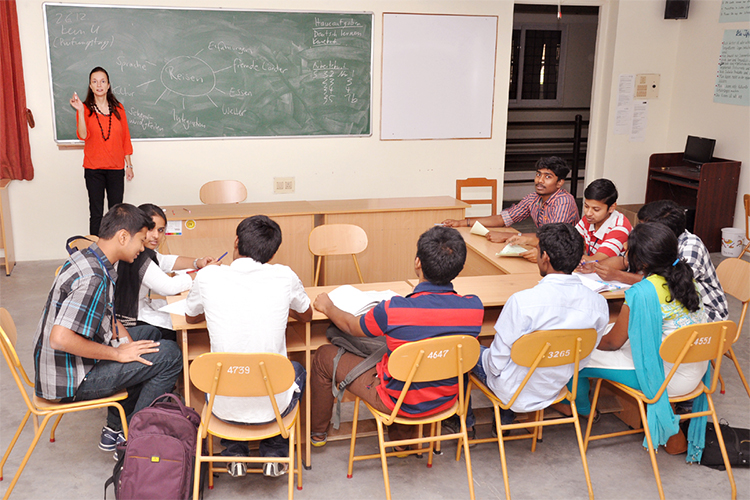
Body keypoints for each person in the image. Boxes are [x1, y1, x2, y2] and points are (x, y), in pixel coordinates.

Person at [309, 226, 484, 448]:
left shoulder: (394, 310)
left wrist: (328, 306)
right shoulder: (474, 307)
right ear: (460, 267)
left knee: (324, 355)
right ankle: (401, 443)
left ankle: (317, 433)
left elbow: (351, 326)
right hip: (445, 401)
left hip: (398, 402)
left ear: (417, 262)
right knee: (402, 356)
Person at [33, 204, 182, 456]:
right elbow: (60, 338)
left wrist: (127, 344)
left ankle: (117, 427)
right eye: (140, 241)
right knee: (170, 356)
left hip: (65, 366)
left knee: (150, 336)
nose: (142, 248)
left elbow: (107, 316)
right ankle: (133, 436)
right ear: (123, 237)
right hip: (71, 379)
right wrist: (119, 354)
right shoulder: (94, 277)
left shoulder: (90, 258)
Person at [184, 215, 312, 478]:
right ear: (272, 252)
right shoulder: (284, 275)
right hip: (273, 408)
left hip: (221, 407)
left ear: (236, 241)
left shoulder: (208, 276)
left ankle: (235, 453)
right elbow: (306, 315)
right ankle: (275, 454)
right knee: (295, 369)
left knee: (229, 374)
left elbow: (190, 317)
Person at [466, 223, 609, 432]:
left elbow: (496, 365)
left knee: (468, 348)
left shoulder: (522, 302)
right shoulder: (598, 303)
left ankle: (470, 425)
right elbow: (583, 356)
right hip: (556, 386)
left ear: (545, 257)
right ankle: (505, 419)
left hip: (512, 390)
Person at [574, 223, 706, 425]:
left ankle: (582, 410)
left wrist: (582, 340)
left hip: (665, 378)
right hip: (695, 367)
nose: (625, 253)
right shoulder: (687, 279)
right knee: (607, 332)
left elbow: (612, 343)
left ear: (641, 261)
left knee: (576, 356)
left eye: (628, 252)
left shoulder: (642, 292)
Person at [591, 200, 727, 322]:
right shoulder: (653, 241)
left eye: (644, 227)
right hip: (669, 303)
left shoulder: (690, 247)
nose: (639, 231)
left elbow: (665, 284)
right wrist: (594, 266)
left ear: (660, 232)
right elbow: (624, 260)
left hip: (702, 313)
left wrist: (618, 275)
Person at [114, 203, 216, 340]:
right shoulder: (136, 256)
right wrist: (200, 274)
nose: (156, 235)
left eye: (161, 230)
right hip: (131, 322)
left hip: (140, 309)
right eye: (151, 229)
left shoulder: (142, 251)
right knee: (183, 326)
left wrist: (198, 262)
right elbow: (169, 287)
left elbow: (165, 261)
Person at [442, 156, 579, 247]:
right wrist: (462, 222)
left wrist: (507, 236)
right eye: (538, 174)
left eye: (547, 177)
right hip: (544, 247)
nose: (540, 181)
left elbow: (552, 237)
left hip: (564, 253)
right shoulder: (533, 198)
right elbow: (503, 218)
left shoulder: (563, 201)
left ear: (560, 182)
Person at [70, 67, 134, 236]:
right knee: (96, 213)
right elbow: (83, 135)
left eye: (103, 81)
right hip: (94, 170)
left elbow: (125, 138)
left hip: (116, 168)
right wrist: (80, 111)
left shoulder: (119, 109)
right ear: (90, 86)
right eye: (95, 81)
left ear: (108, 85)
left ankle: (116, 248)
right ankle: (95, 249)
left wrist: (129, 165)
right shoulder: (84, 109)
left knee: (117, 213)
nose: (99, 85)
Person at [575, 178, 632, 268]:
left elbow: (597, 261)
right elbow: (570, 240)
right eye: (586, 206)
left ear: (611, 207)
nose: (588, 213)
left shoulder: (620, 227)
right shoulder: (590, 218)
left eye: (596, 209)